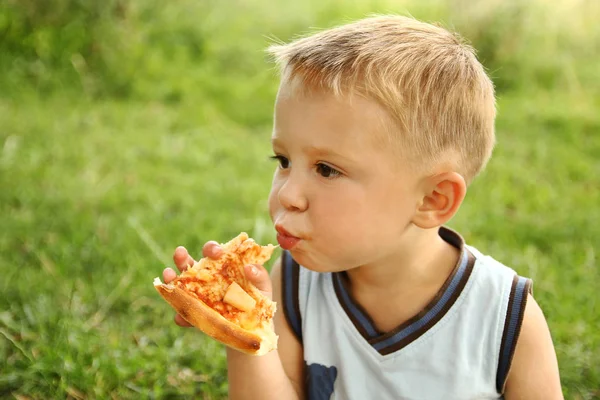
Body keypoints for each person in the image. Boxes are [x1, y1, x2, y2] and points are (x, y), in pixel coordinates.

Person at [162, 15, 563, 399]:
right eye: (283, 160)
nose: (288, 194)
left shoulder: (505, 317)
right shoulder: (295, 283)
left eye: (326, 169)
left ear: (432, 199)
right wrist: (242, 325)